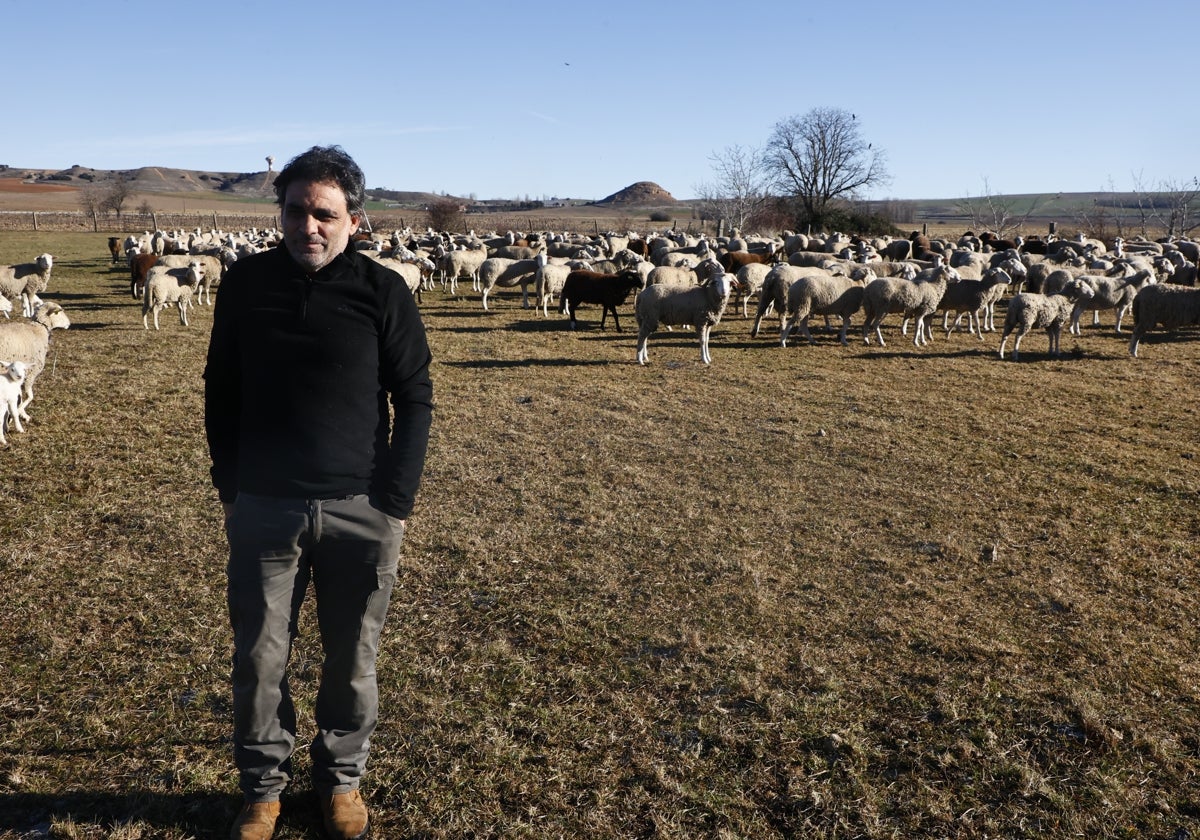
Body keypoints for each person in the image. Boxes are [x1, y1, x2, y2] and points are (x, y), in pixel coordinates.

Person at [204, 145, 433, 840]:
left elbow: (414, 396)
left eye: (324, 214)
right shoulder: (245, 285)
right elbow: (223, 387)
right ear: (280, 213)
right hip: (265, 507)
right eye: (297, 211)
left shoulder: (382, 290)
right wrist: (232, 487)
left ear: (353, 220)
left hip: (360, 509)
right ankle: (264, 792)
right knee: (259, 657)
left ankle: (340, 781)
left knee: (352, 658)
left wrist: (393, 502)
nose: (309, 226)